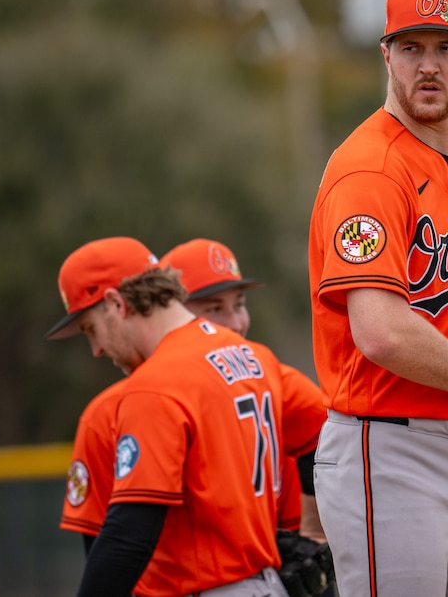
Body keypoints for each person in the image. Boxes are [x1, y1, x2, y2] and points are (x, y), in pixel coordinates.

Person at [307, 0, 448, 597]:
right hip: (391, 454)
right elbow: (380, 333)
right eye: (411, 48)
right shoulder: (371, 169)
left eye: (446, 47)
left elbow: (444, 311)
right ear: (386, 55)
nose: (428, 66)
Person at [47, 236, 323, 597]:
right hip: (265, 585)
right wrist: (314, 532)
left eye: (91, 329)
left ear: (115, 303)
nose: (97, 348)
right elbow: (325, 434)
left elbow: (130, 534)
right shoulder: (253, 356)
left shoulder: (154, 384)